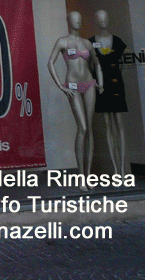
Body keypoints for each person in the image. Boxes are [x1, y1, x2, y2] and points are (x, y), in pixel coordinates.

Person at [47, 11, 102, 186]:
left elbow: (97, 63)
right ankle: (81, 177)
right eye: (74, 19)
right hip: (72, 85)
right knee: (83, 127)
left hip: (89, 84)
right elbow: (50, 63)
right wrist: (60, 86)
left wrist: (100, 83)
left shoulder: (87, 43)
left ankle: (88, 175)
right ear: (68, 21)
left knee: (90, 128)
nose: (77, 21)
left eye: (79, 18)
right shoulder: (62, 41)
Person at [90, 9, 128, 175]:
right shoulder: (91, 42)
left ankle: (123, 169)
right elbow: (91, 64)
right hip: (101, 85)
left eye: (105, 17)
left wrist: (118, 75)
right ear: (96, 21)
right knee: (108, 127)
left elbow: (124, 63)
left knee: (119, 125)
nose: (103, 21)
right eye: (99, 18)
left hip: (116, 84)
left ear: (109, 19)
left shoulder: (117, 41)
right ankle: (115, 169)